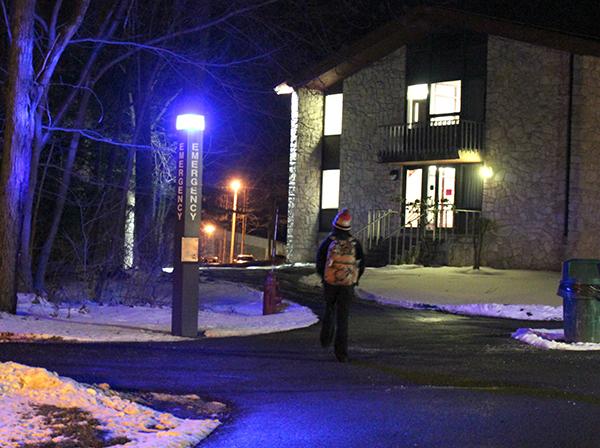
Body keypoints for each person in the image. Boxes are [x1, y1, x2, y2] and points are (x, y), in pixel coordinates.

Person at [316, 208, 365, 363]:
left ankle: (325, 339)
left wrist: (324, 277)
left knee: (329, 309)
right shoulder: (355, 243)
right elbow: (361, 263)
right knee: (343, 318)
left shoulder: (329, 242)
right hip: (347, 285)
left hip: (330, 283)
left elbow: (319, 261)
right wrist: (354, 280)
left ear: (335, 225)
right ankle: (341, 353)